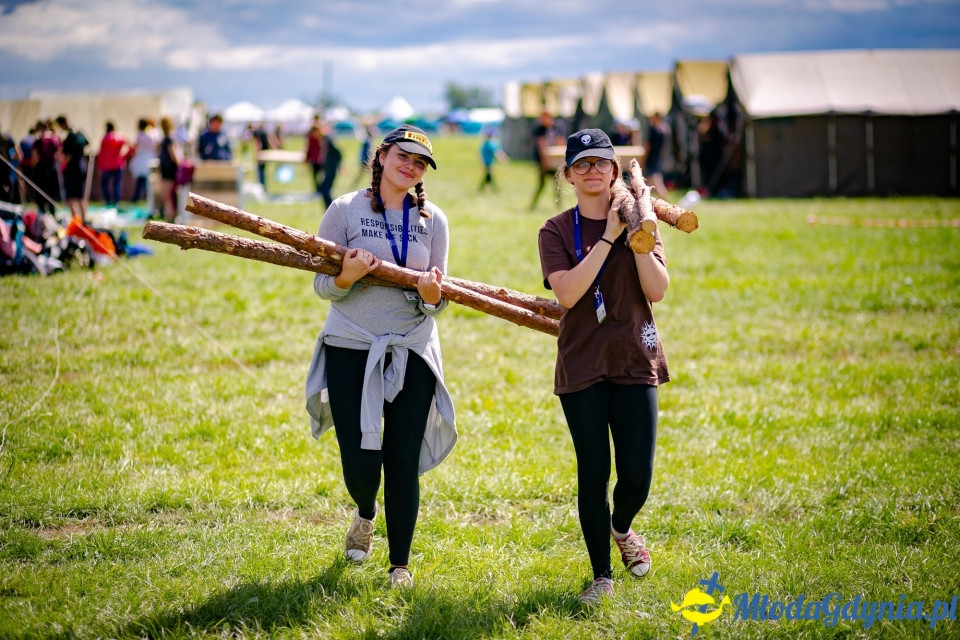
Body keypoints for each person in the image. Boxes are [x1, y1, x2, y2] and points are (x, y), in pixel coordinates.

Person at [305, 124, 456, 590]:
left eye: (419, 163)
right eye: (403, 156)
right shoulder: (344, 209)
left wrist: (431, 295)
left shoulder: (434, 220)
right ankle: (365, 512)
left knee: (402, 457)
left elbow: (441, 297)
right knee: (359, 457)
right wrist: (347, 277)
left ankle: (400, 565)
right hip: (351, 345)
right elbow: (321, 284)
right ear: (383, 156)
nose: (410, 167)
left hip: (411, 347)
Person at [537, 128, 670, 605]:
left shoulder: (642, 218)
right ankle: (601, 576)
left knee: (637, 475)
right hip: (583, 362)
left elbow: (656, 290)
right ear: (569, 175)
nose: (592, 171)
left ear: (615, 171)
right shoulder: (554, 230)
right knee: (593, 473)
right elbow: (569, 294)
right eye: (582, 164)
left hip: (635, 356)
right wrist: (608, 238)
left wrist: (635, 232)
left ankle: (622, 526)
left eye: (601, 163)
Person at [56, 115, 89, 222]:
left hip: (72, 169)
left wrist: (60, 160)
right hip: (82, 165)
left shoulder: (69, 137)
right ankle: (83, 219)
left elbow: (67, 157)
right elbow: (88, 144)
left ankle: (75, 220)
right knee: (81, 195)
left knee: (71, 196)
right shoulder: (79, 133)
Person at [529, 111, 559, 210]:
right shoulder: (540, 129)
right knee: (541, 184)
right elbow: (541, 145)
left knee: (557, 184)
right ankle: (533, 205)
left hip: (554, 160)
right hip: (543, 161)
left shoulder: (555, 128)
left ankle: (559, 206)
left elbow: (560, 141)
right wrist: (544, 161)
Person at [97, 121, 129, 207]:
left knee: (105, 183)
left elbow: (101, 153)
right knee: (117, 184)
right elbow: (130, 147)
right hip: (118, 164)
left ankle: (108, 201)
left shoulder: (105, 138)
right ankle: (116, 201)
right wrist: (124, 156)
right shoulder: (120, 137)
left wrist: (99, 166)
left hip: (107, 166)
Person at [129, 118, 160, 203]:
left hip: (141, 158)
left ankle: (137, 197)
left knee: (140, 180)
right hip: (152, 157)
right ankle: (147, 197)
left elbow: (135, 147)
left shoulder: (140, 135)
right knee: (149, 180)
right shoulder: (154, 133)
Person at [157, 116, 180, 222]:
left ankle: (169, 216)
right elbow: (174, 155)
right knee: (168, 195)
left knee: (167, 195)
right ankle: (170, 216)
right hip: (169, 169)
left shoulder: (166, 139)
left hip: (166, 169)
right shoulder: (169, 139)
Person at [643, 113, 669, 199]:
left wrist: (643, 158)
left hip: (652, 158)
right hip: (658, 158)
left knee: (657, 182)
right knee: (648, 182)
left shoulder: (654, 130)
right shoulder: (665, 130)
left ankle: (665, 200)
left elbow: (648, 146)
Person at [316, 124, 342, 208]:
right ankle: (329, 208)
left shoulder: (327, 140)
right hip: (328, 168)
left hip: (331, 169)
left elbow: (338, 154)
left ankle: (331, 207)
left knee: (325, 189)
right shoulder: (325, 140)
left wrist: (339, 165)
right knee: (324, 189)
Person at [478, 127, 508, 192]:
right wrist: (502, 159)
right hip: (487, 162)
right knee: (489, 174)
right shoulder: (489, 143)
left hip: (488, 162)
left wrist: (503, 158)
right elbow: (496, 153)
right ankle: (492, 188)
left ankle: (484, 188)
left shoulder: (489, 143)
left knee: (489, 175)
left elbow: (498, 151)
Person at [304, 123, 325, 197]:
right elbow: (309, 149)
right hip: (315, 160)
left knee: (321, 176)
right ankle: (317, 190)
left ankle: (321, 189)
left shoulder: (323, 137)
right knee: (315, 176)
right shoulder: (312, 138)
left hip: (322, 160)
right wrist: (307, 158)